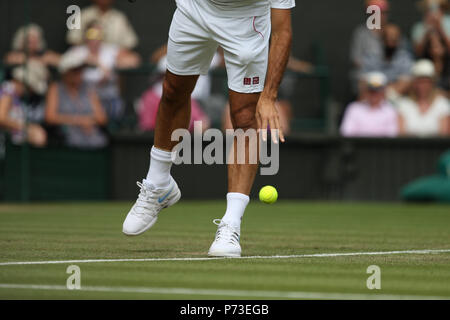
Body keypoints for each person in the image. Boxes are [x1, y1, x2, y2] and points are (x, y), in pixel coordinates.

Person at [122, 0, 295, 258]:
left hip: (246, 21)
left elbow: (283, 31)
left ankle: (231, 224)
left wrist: (269, 96)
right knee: (172, 91)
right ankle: (159, 184)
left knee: (245, 117)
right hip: (196, 7)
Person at [67, 21, 140, 123]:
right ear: (85, 36)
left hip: (110, 98)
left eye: (99, 34)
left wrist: (118, 63)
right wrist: (84, 63)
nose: (95, 39)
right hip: (84, 99)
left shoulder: (110, 50)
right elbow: (62, 64)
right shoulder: (78, 52)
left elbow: (135, 60)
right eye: (92, 34)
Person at [45, 50, 108, 149]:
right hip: (67, 139)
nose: (79, 74)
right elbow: (50, 117)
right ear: (65, 72)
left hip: (92, 137)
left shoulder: (89, 88)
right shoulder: (55, 89)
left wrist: (89, 122)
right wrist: (79, 121)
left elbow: (101, 118)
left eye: (81, 70)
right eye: (75, 70)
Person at [0, 61, 48, 147]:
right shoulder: (8, 90)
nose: (31, 92)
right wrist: (27, 128)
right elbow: (1, 118)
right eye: (30, 88)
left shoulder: (15, 95)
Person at [361, 24, 414, 101]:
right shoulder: (371, 57)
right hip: (372, 100)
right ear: (382, 38)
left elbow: (404, 85)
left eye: (394, 38)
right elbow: (363, 84)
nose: (391, 40)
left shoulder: (405, 58)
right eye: (388, 37)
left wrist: (380, 92)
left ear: (399, 40)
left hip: (396, 102)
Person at [397, 59, 450, 136]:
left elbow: (444, 135)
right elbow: (401, 134)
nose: (422, 86)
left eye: (426, 81)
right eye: (420, 82)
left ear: (432, 83)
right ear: (414, 83)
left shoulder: (442, 104)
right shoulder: (404, 104)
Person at [349, 0, 391, 94]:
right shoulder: (361, 34)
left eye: (383, 13)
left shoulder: (393, 32)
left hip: (389, 76)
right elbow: (356, 60)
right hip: (368, 77)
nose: (381, 16)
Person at [340, 72, 398, 137]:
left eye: (378, 90)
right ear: (366, 91)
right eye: (371, 90)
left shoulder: (390, 110)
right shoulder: (354, 108)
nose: (374, 94)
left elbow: (391, 136)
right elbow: (346, 133)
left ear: (383, 91)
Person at [66, 0, 139, 50]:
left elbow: (130, 43)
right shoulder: (83, 15)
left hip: (113, 61)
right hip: (87, 60)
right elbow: (73, 40)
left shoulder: (119, 17)